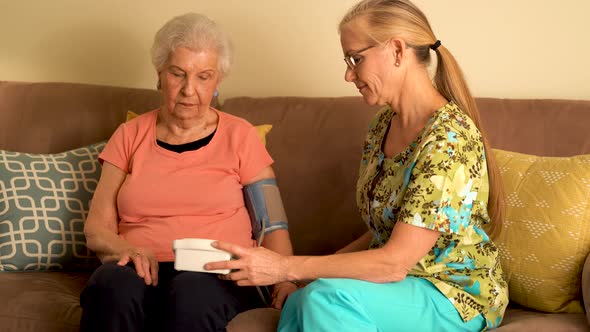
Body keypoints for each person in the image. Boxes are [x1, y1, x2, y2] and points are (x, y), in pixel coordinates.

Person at [205, 0, 509, 331]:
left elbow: (395, 262)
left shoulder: (449, 139)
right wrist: (305, 276)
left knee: (325, 299)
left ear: (396, 51)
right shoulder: (382, 126)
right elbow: (381, 234)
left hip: (453, 294)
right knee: (303, 301)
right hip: (398, 284)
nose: (348, 74)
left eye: (356, 59)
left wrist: (286, 268)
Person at [80, 13, 296, 332]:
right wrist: (126, 249)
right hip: (139, 264)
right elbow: (96, 227)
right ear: (159, 74)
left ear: (218, 80)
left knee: (191, 294)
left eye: (203, 76)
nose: (188, 90)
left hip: (219, 271)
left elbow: (272, 222)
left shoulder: (241, 136)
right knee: (111, 287)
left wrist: (285, 279)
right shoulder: (129, 134)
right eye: (178, 74)